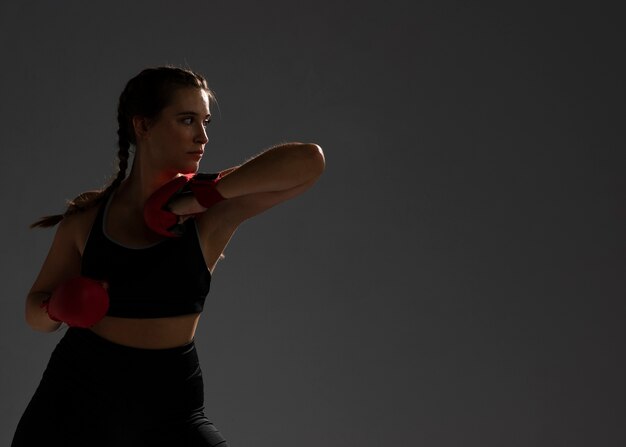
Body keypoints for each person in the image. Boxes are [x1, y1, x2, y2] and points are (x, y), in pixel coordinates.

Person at [11, 66, 325, 447]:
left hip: (170, 405)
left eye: (206, 121)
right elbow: (34, 313)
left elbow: (309, 162)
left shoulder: (209, 214)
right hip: (76, 396)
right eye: (187, 120)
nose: (203, 136)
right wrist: (59, 308)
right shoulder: (88, 220)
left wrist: (200, 197)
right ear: (143, 126)